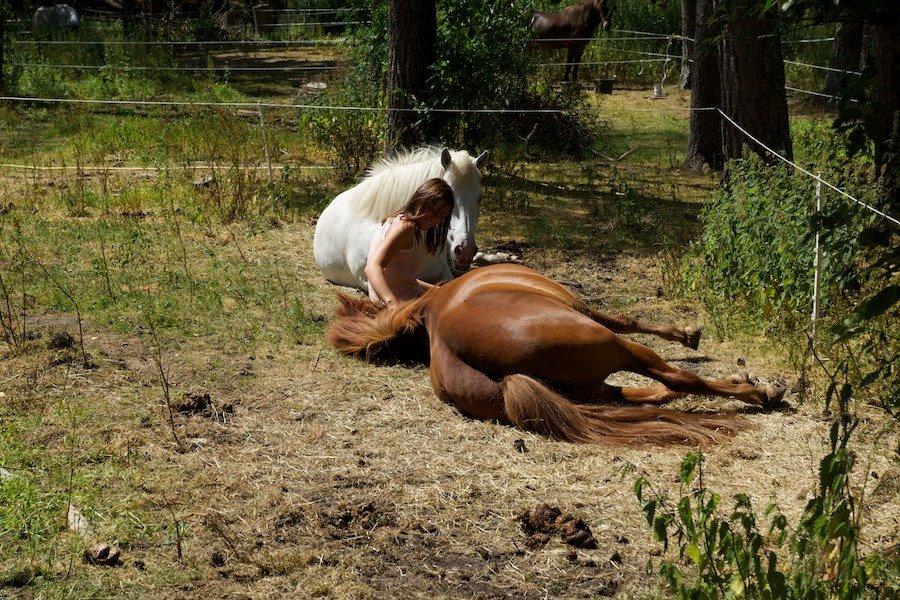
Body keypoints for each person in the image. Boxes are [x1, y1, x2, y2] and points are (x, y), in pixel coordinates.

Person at [365, 178, 455, 306]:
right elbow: (372, 267)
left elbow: (402, 278)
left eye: (441, 216)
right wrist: (392, 303)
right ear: (421, 199)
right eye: (434, 211)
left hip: (401, 295)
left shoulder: (397, 219)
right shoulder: (405, 228)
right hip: (399, 302)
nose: (436, 220)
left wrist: (436, 290)